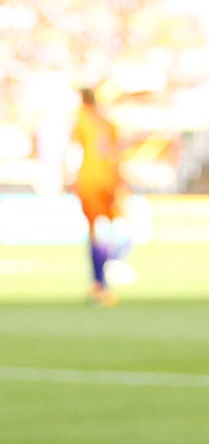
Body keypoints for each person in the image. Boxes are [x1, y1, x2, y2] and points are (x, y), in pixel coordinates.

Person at [69, 87, 127, 305]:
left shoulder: (82, 120)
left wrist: (68, 176)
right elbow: (115, 154)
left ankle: (99, 283)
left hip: (90, 181)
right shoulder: (108, 124)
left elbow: (75, 151)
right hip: (110, 181)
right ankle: (110, 269)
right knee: (114, 228)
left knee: (95, 232)